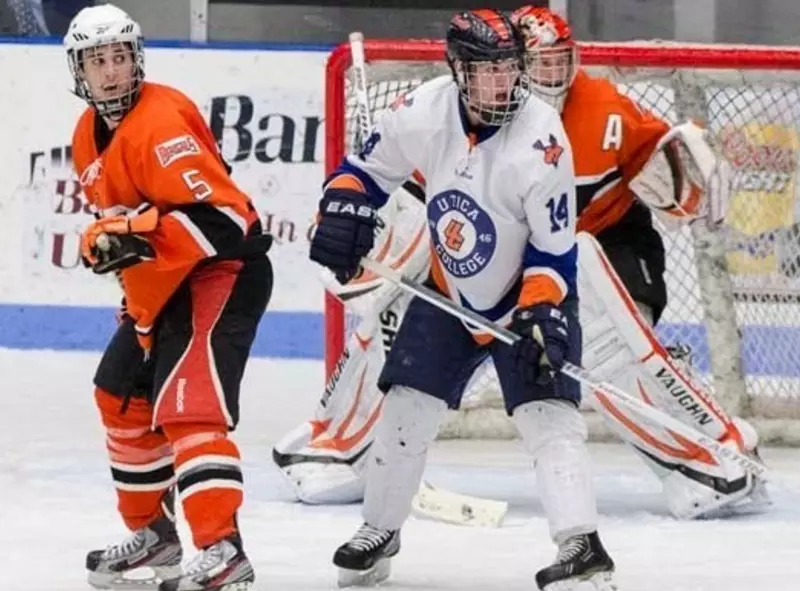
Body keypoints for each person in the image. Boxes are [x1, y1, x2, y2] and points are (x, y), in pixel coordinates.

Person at [277, 5, 768, 522]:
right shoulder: (453, 115)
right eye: (539, 64)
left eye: (560, 62)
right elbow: (421, 200)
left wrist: (678, 165)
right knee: (397, 315)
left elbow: (656, 152)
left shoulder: (602, 108)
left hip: (603, 242)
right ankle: (338, 444)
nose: (551, 76)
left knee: (609, 339)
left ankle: (706, 450)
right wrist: (357, 223)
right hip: (495, 255)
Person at [307, 8, 621, 591]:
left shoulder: (545, 142)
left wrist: (540, 316)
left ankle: (581, 547)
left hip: (527, 295)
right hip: (449, 292)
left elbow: (554, 258)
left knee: (548, 416)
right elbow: (363, 172)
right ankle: (381, 530)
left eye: (510, 69)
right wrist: (343, 210)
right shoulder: (422, 111)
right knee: (404, 409)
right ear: (459, 70)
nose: (502, 83)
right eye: (487, 70)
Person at [66, 4, 271, 591]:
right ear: (79, 70)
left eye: (120, 57)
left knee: (189, 407)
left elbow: (227, 222)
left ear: (137, 60)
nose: (110, 71)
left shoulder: (162, 118)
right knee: (120, 395)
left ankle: (224, 551)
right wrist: (116, 253)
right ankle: (155, 535)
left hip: (219, 275)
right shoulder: (86, 132)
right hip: (164, 287)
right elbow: (127, 230)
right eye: (97, 61)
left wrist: (132, 233)